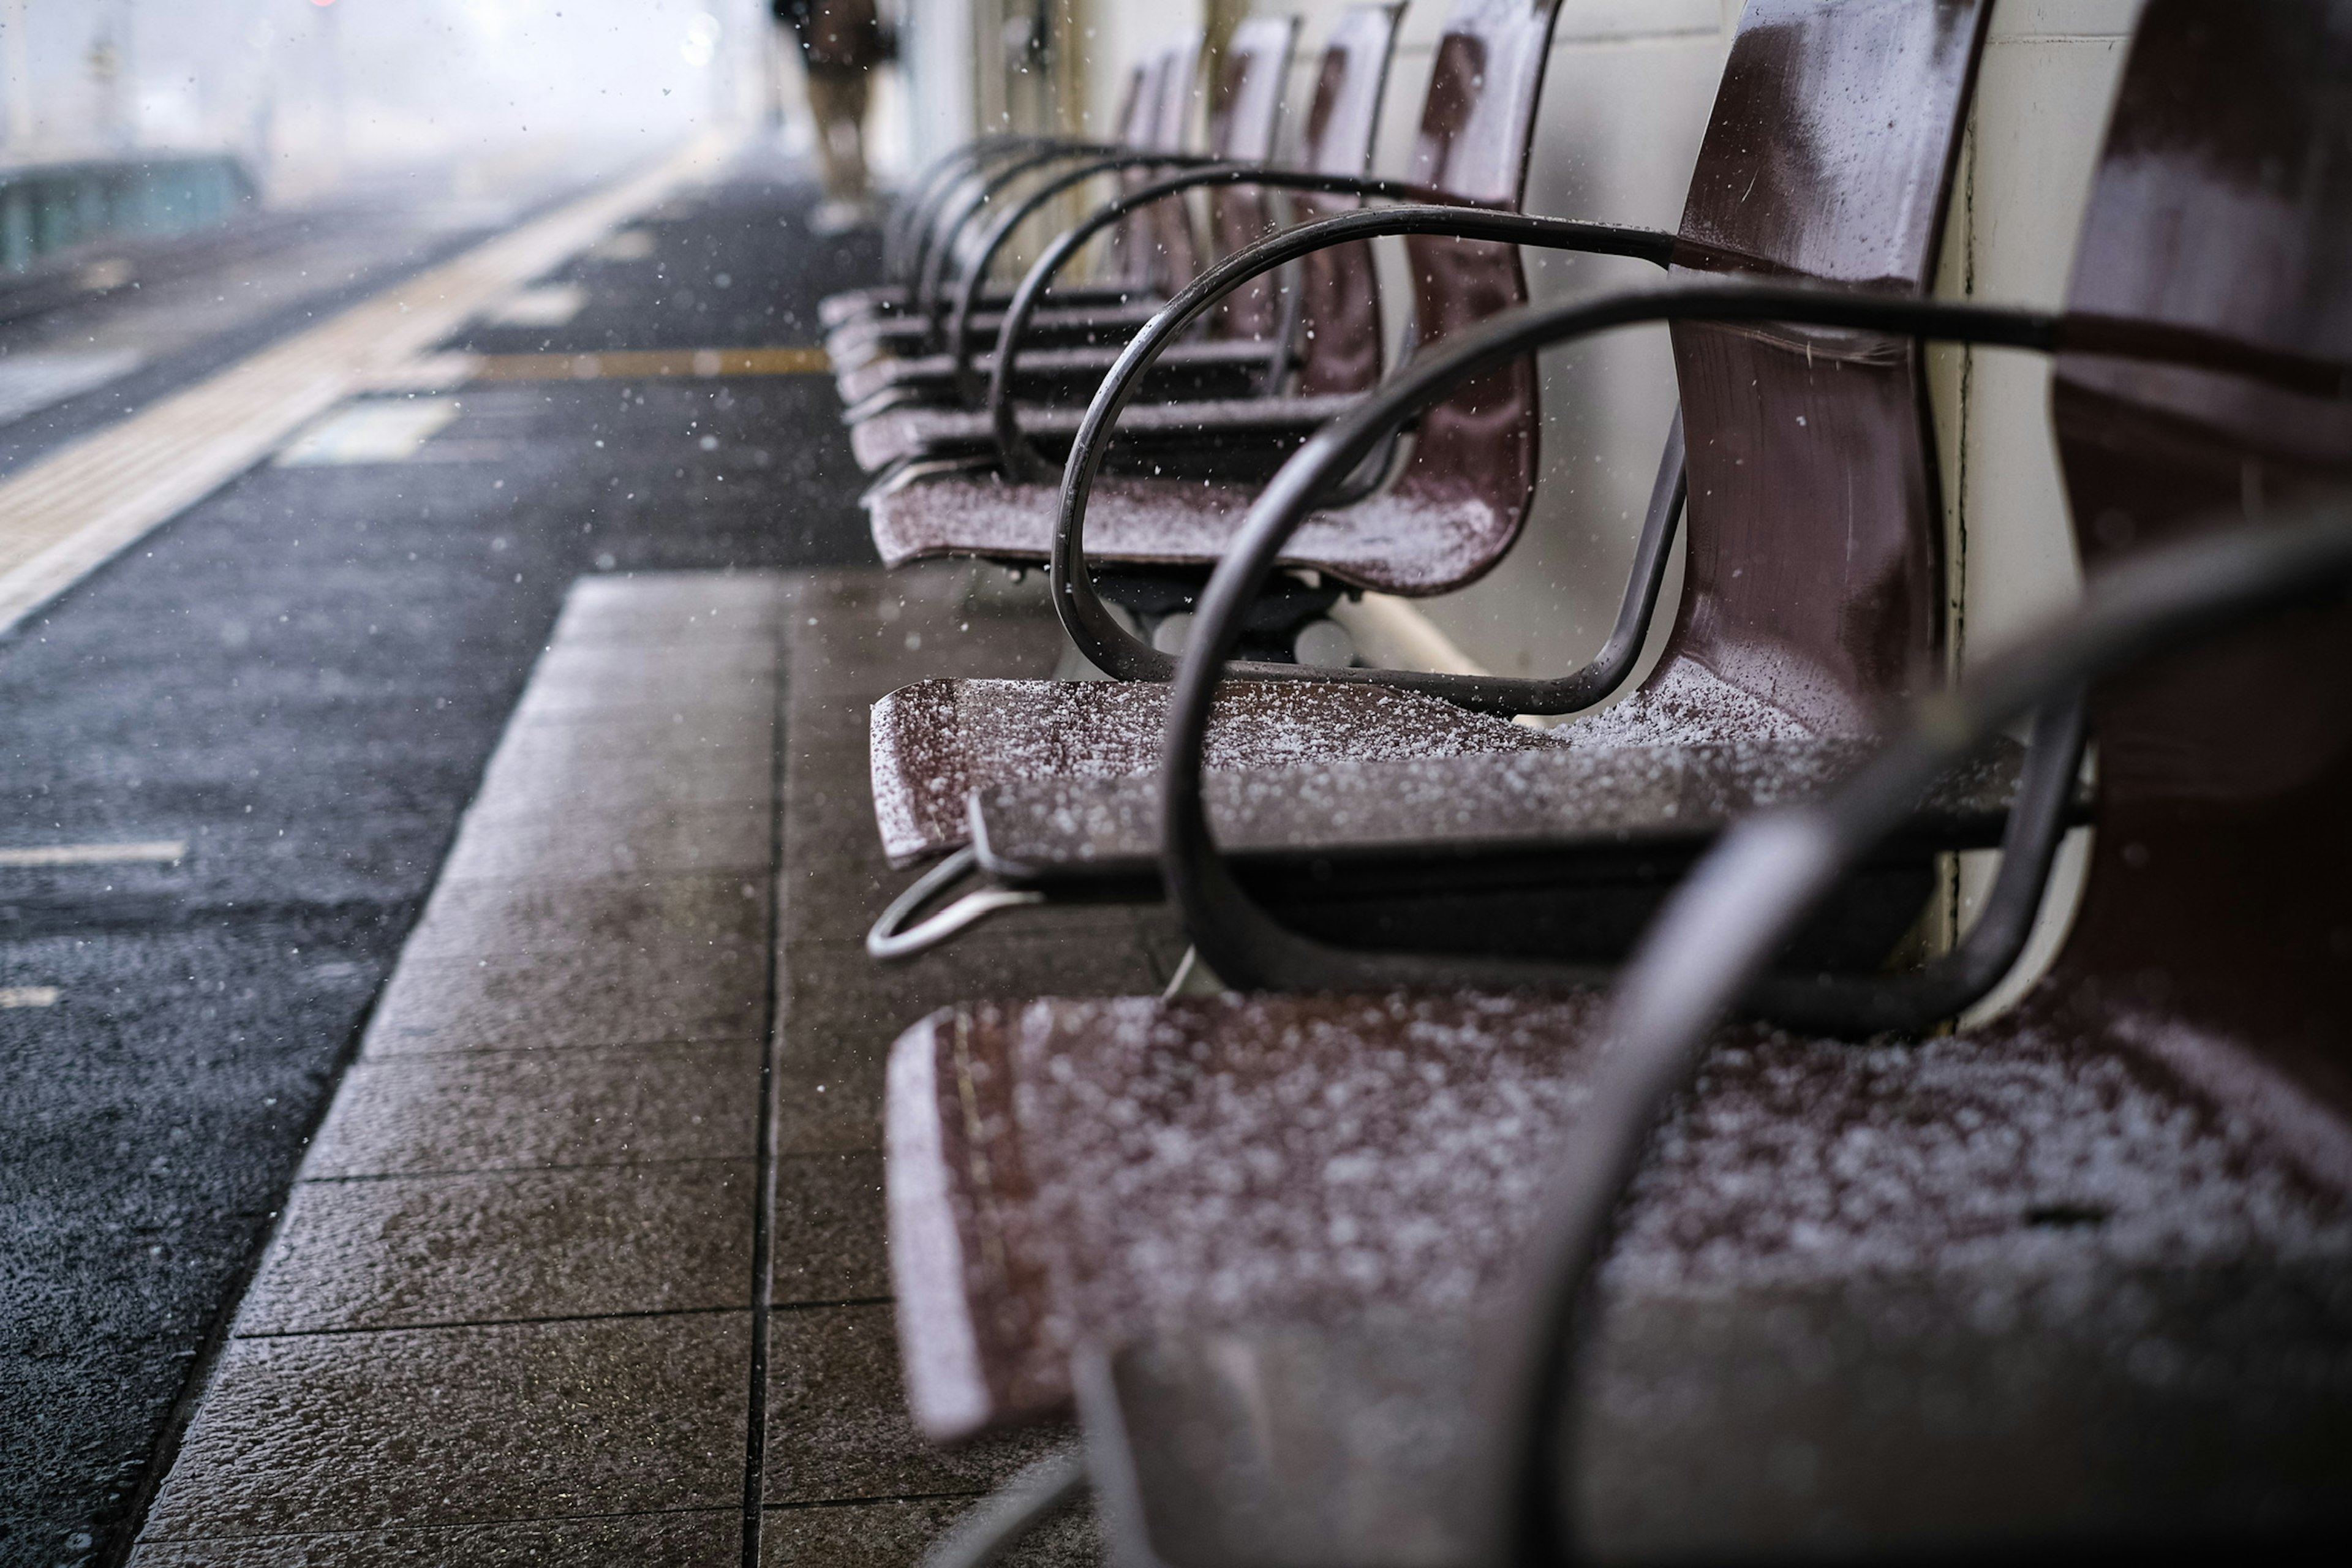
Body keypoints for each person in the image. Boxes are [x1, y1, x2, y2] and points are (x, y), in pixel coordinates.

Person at [775, 0, 888, 233]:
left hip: (821, 63)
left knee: (827, 136)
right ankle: (858, 193)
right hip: (857, 62)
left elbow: (782, 12)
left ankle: (840, 195)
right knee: (858, 132)